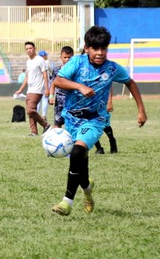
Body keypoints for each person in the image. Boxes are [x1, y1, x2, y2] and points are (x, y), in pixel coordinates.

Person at [50, 26, 147, 216]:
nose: (100, 53)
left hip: (95, 120)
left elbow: (131, 83)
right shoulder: (76, 62)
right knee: (80, 161)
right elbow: (58, 81)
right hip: (71, 119)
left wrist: (141, 110)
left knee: (77, 152)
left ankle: (66, 201)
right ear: (87, 48)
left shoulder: (112, 68)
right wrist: (79, 86)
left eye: (104, 48)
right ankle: (87, 189)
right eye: (96, 48)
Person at [13, 42, 51, 136]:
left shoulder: (40, 60)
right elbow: (27, 76)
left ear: (34, 48)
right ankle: (34, 132)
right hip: (30, 89)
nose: (28, 50)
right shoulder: (28, 61)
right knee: (30, 112)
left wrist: (47, 88)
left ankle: (46, 125)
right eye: (26, 49)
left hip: (38, 89)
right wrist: (21, 90)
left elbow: (45, 74)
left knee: (30, 110)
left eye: (30, 48)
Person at [48, 46, 74, 127]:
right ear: (61, 57)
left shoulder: (76, 70)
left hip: (72, 100)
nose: (67, 59)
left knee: (72, 124)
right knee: (57, 123)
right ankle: (55, 139)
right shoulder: (56, 70)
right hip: (59, 101)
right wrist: (51, 96)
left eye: (69, 57)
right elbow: (53, 84)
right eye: (65, 57)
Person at [37, 50, 52, 118]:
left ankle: (36, 114)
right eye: (46, 55)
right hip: (46, 82)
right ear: (44, 56)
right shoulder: (46, 62)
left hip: (38, 83)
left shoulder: (36, 62)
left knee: (38, 100)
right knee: (45, 99)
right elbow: (51, 70)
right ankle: (43, 115)